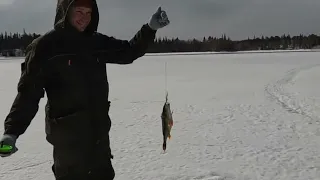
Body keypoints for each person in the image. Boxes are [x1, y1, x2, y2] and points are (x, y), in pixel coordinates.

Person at [0, 0, 170, 179]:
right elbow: (28, 93)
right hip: (68, 145)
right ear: (65, 11)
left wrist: (150, 28)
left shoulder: (95, 42)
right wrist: (11, 132)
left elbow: (127, 51)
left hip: (99, 140)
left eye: (88, 13)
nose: (84, 18)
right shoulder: (45, 47)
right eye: (79, 12)